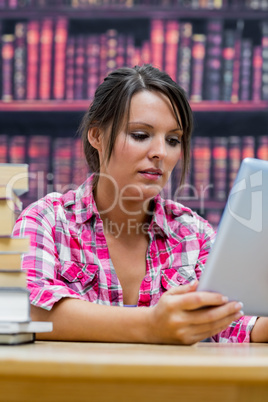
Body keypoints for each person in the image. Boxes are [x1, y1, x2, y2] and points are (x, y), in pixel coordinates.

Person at [13, 64, 268, 344]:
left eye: (173, 140)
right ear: (96, 136)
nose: (160, 152)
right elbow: (26, 310)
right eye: (140, 135)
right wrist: (150, 325)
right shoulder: (46, 221)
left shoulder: (194, 234)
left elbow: (236, 324)